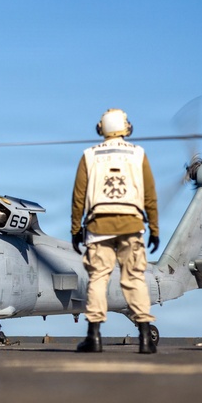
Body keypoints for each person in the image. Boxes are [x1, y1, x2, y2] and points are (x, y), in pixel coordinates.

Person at [70, 108, 159, 354]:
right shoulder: (138, 154)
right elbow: (150, 195)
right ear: (127, 128)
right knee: (134, 279)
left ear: (101, 129)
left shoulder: (89, 155)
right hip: (132, 226)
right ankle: (144, 338)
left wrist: (75, 229)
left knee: (98, 279)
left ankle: (94, 337)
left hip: (99, 227)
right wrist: (154, 228)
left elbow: (79, 197)